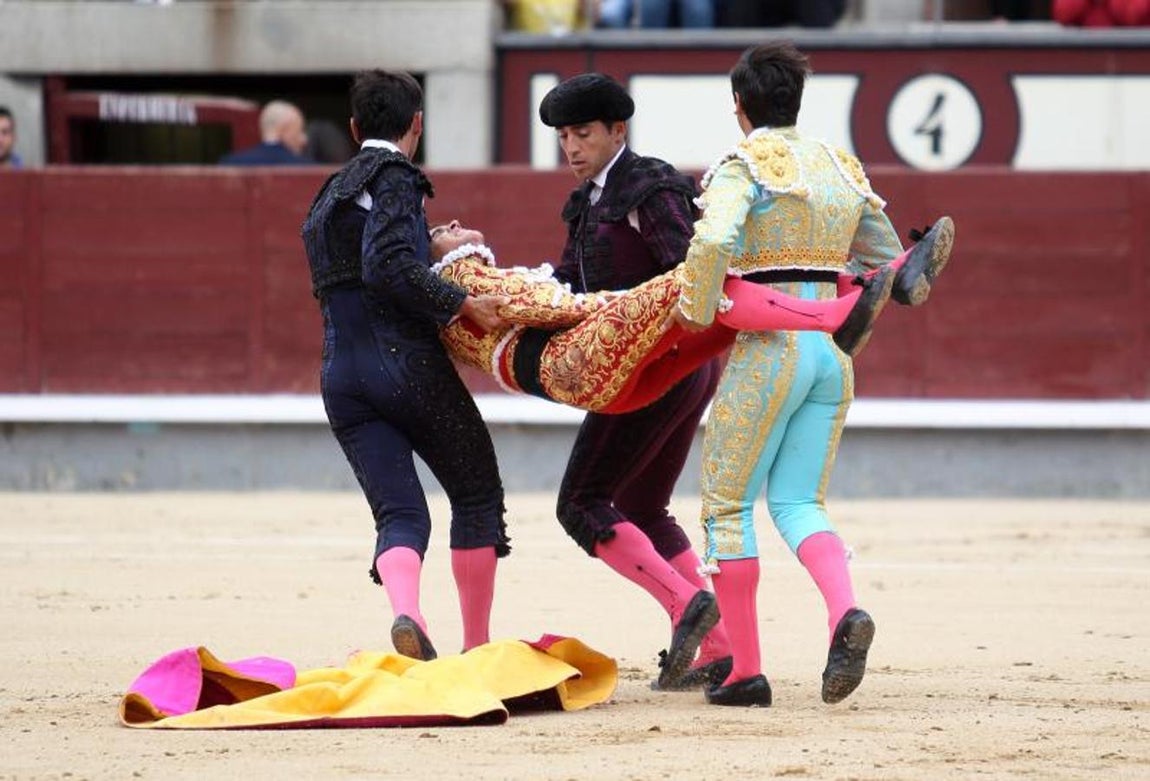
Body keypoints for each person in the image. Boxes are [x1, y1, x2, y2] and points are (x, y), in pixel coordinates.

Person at [672, 41, 953, 707]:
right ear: (796, 101)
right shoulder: (840, 165)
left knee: (729, 506)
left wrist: (698, 304)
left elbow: (711, 243)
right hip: (834, 352)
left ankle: (745, 671)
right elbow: (894, 267)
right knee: (799, 502)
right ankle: (843, 613)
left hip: (771, 345)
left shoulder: (743, 165)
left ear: (739, 107)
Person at [300, 70, 512, 662]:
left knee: (399, 510)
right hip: (404, 365)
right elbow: (388, 266)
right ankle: (477, 650)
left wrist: (428, 244)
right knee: (474, 493)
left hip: (341, 374)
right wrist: (463, 302)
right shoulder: (396, 176)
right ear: (416, 124)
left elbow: (372, 257)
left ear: (353, 127)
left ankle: (407, 613)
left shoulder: (328, 195)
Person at [426, 221, 952, 414]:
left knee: (719, 313)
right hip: (575, 360)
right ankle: (839, 310)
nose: (452, 224)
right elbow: (554, 307)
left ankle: (877, 280)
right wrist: (636, 300)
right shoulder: (462, 277)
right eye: (439, 232)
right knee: (699, 281)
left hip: (599, 391)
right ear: (436, 256)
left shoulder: (441, 309)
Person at [220, 100, 310, 165]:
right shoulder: (306, 168)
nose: (304, 139)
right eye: (299, 131)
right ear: (284, 130)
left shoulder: (229, 164)